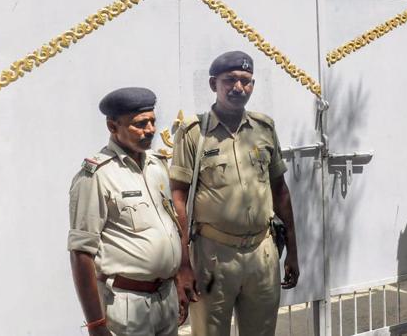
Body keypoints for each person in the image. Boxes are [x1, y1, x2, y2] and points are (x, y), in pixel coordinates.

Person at [169, 50, 300, 336]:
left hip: (262, 253)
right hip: (214, 256)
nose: (238, 87)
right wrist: (183, 264)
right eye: (230, 80)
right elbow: (177, 197)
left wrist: (292, 251)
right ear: (213, 84)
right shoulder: (193, 133)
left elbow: (280, 190)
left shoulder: (264, 128)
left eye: (246, 81)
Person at [68, 87, 184, 336]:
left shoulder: (157, 165)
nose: (151, 130)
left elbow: (171, 227)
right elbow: (81, 253)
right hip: (127, 306)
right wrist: (96, 324)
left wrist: (179, 278)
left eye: (152, 121)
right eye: (140, 124)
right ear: (113, 127)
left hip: (166, 298)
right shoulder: (96, 175)